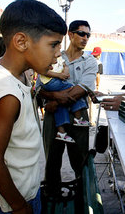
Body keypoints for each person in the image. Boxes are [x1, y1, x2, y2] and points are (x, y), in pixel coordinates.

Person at [0, 0, 67, 213]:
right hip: (10, 202)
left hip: (23, 192)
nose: (58, 53)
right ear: (21, 42)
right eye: (53, 44)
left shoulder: (14, 75)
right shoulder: (7, 93)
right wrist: (19, 206)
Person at [40, 20, 97, 194]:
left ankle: (83, 197)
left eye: (88, 34)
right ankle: (52, 195)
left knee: (80, 160)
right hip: (55, 118)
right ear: (70, 35)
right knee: (52, 159)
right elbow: (40, 86)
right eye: (81, 33)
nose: (85, 38)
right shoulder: (54, 56)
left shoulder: (90, 61)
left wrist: (54, 101)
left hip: (76, 116)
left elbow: (80, 91)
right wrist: (49, 98)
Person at [37, 55, 90, 143]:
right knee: (71, 88)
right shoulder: (47, 55)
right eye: (57, 45)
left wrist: (65, 72)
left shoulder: (60, 57)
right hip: (50, 81)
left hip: (53, 84)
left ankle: (61, 132)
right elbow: (43, 71)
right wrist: (60, 75)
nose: (59, 49)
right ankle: (78, 118)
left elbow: (65, 66)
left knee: (60, 107)